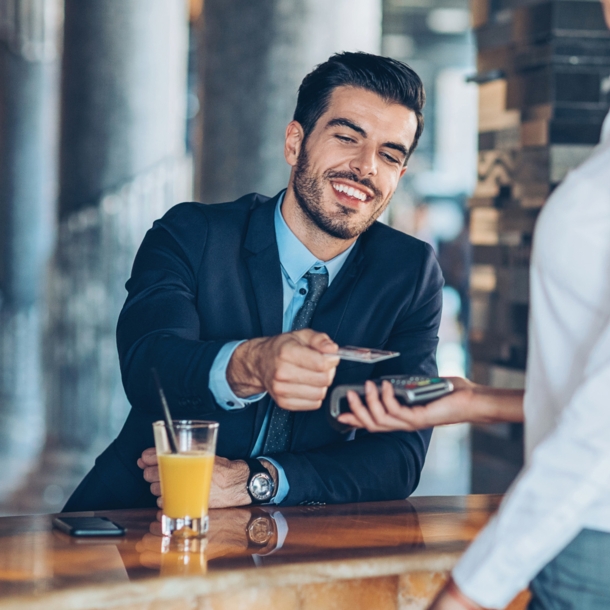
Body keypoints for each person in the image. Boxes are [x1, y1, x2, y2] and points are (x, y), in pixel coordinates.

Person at [64, 52, 444, 512]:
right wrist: (250, 364)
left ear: (399, 176)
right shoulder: (192, 234)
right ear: (294, 143)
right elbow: (148, 365)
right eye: (347, 137)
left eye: (389, 155)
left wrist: (257, 481)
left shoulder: (409, 272)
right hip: (142, 516)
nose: (366, 168)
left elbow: (399, 457)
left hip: (298, 543)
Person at [340, 2, 610, 606]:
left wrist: (468, 592)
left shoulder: (411, 270)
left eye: (390, 153)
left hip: (588, 533)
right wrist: (478, 402)